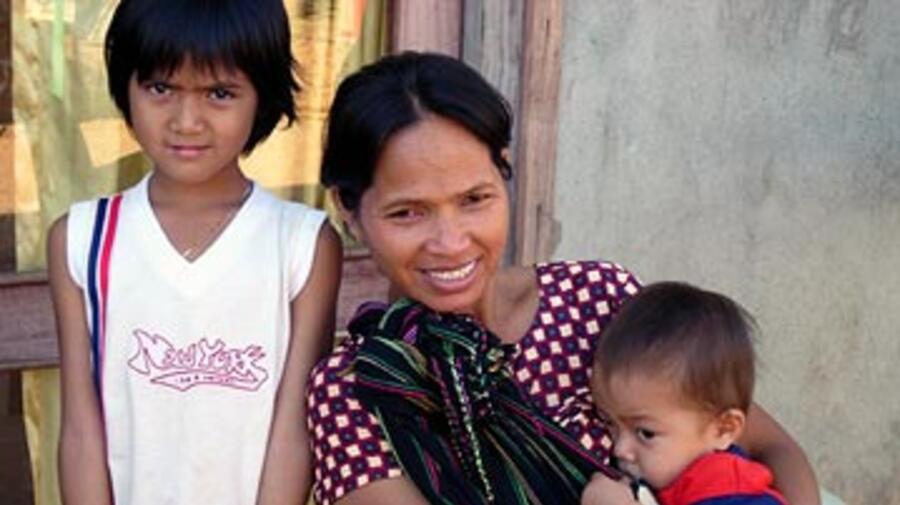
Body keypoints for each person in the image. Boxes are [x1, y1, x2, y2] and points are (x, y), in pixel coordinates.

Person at [308, 51, 818, 505]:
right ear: (349, 212)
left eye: (475, 199)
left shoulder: (598, 302)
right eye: (407, 213)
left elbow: (769, 446)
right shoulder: (356, 389)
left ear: (504, 172)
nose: (451, 241)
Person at [47, 1, 342, 504]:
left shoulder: (301, 244)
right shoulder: (82, 239)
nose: (186, 122)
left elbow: (293, 433)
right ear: (125, 86)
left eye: (219, 93)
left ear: (262, 95)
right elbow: (80, 428)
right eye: (161, 88)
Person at [582, 282, 787, 505]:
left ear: (723, 429)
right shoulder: (675, 479)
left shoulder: (732, 493)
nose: (620, 449)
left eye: (646, 433)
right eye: (610, 423)